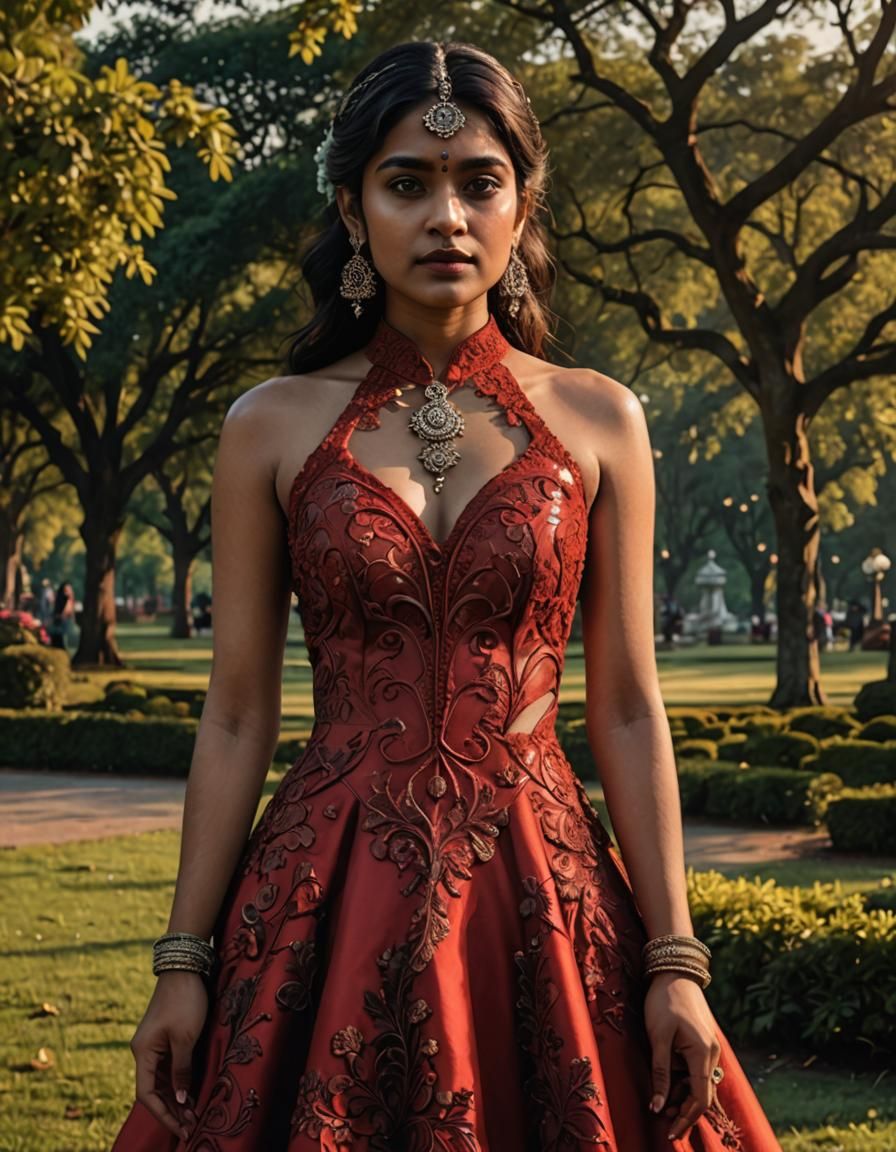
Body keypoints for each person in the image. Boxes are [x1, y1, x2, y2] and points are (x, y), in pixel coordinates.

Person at [111, 41, 781, 1152]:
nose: (446, 218)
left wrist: (674, 958)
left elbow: (622, 707)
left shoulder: (597, 417)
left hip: (544, 897)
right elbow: (235, 712)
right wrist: (183, 962)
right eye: (406, 183)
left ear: (522, 207)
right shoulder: (269, 425)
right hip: (324, 895)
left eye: (479, 182)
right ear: (351, 204)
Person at [50, 581, 76, 651]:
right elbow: (64, 614)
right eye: (66, 590)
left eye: (69, 590)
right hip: (61, 627)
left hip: (64, 626)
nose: (68, 592)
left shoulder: (68, 600)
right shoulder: (65, 600)